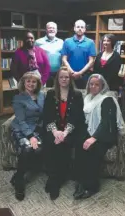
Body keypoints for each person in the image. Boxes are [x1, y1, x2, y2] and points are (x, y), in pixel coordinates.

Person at [74, 74, 125, 199]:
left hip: (105, 134)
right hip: (91, 131)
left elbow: (107, 122)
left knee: (92, 150)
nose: (93, 87)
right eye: (91, 84)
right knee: (80, 146)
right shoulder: (87, 98)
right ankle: (81, 181)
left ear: (102, 86)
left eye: (97, 84)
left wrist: (93, 138)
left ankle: (92, 186)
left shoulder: (107, 99)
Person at [42, 66, 86, 200]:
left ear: (70, 78)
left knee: (63, 144)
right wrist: (55, 132)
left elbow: (76, 117)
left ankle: (55, 181)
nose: (64, 79)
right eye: (61, 77)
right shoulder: (50, 93)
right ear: (57, 79)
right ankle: (55, 177)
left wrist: (64, 133)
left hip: (71, 130)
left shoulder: (77, 95)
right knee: (51, 143)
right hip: (53, 129)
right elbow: (47, 115)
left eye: (66, 77)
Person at [10, 72, 45, 201]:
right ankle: (19, 179)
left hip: (37, 129)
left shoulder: (42, 96)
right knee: (27, 148)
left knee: (39, 149)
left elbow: (45, 114)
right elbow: (21, 120)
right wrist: (31, 136)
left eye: (34, 81)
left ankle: (18, 175)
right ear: (23, 83)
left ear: (38, 84)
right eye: (28, 81)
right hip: (22, 129)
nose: (31, 84)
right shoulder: (18, 98)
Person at [62, 19, 96, 89]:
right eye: (78, 27)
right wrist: (72, 72)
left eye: (82, 27)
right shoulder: (67, 41)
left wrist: (80, 73)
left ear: (85, 29)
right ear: (74, 28)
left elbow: (91, 61)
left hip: (85, 76)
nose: (80, 29)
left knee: (83, 96)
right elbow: (64, 59)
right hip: (69, 75)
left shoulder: (90, 42)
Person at [35, 22, 64, 87]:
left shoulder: (61, 42)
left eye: (53, 28)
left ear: (56, 30)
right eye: (49, 28)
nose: (51, 29)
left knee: (58, 92)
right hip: (44, 73)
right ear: (46, 30)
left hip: (58, 73)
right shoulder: (38, 42)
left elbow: (64, 57)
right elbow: (34, 57)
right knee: (46, 92)